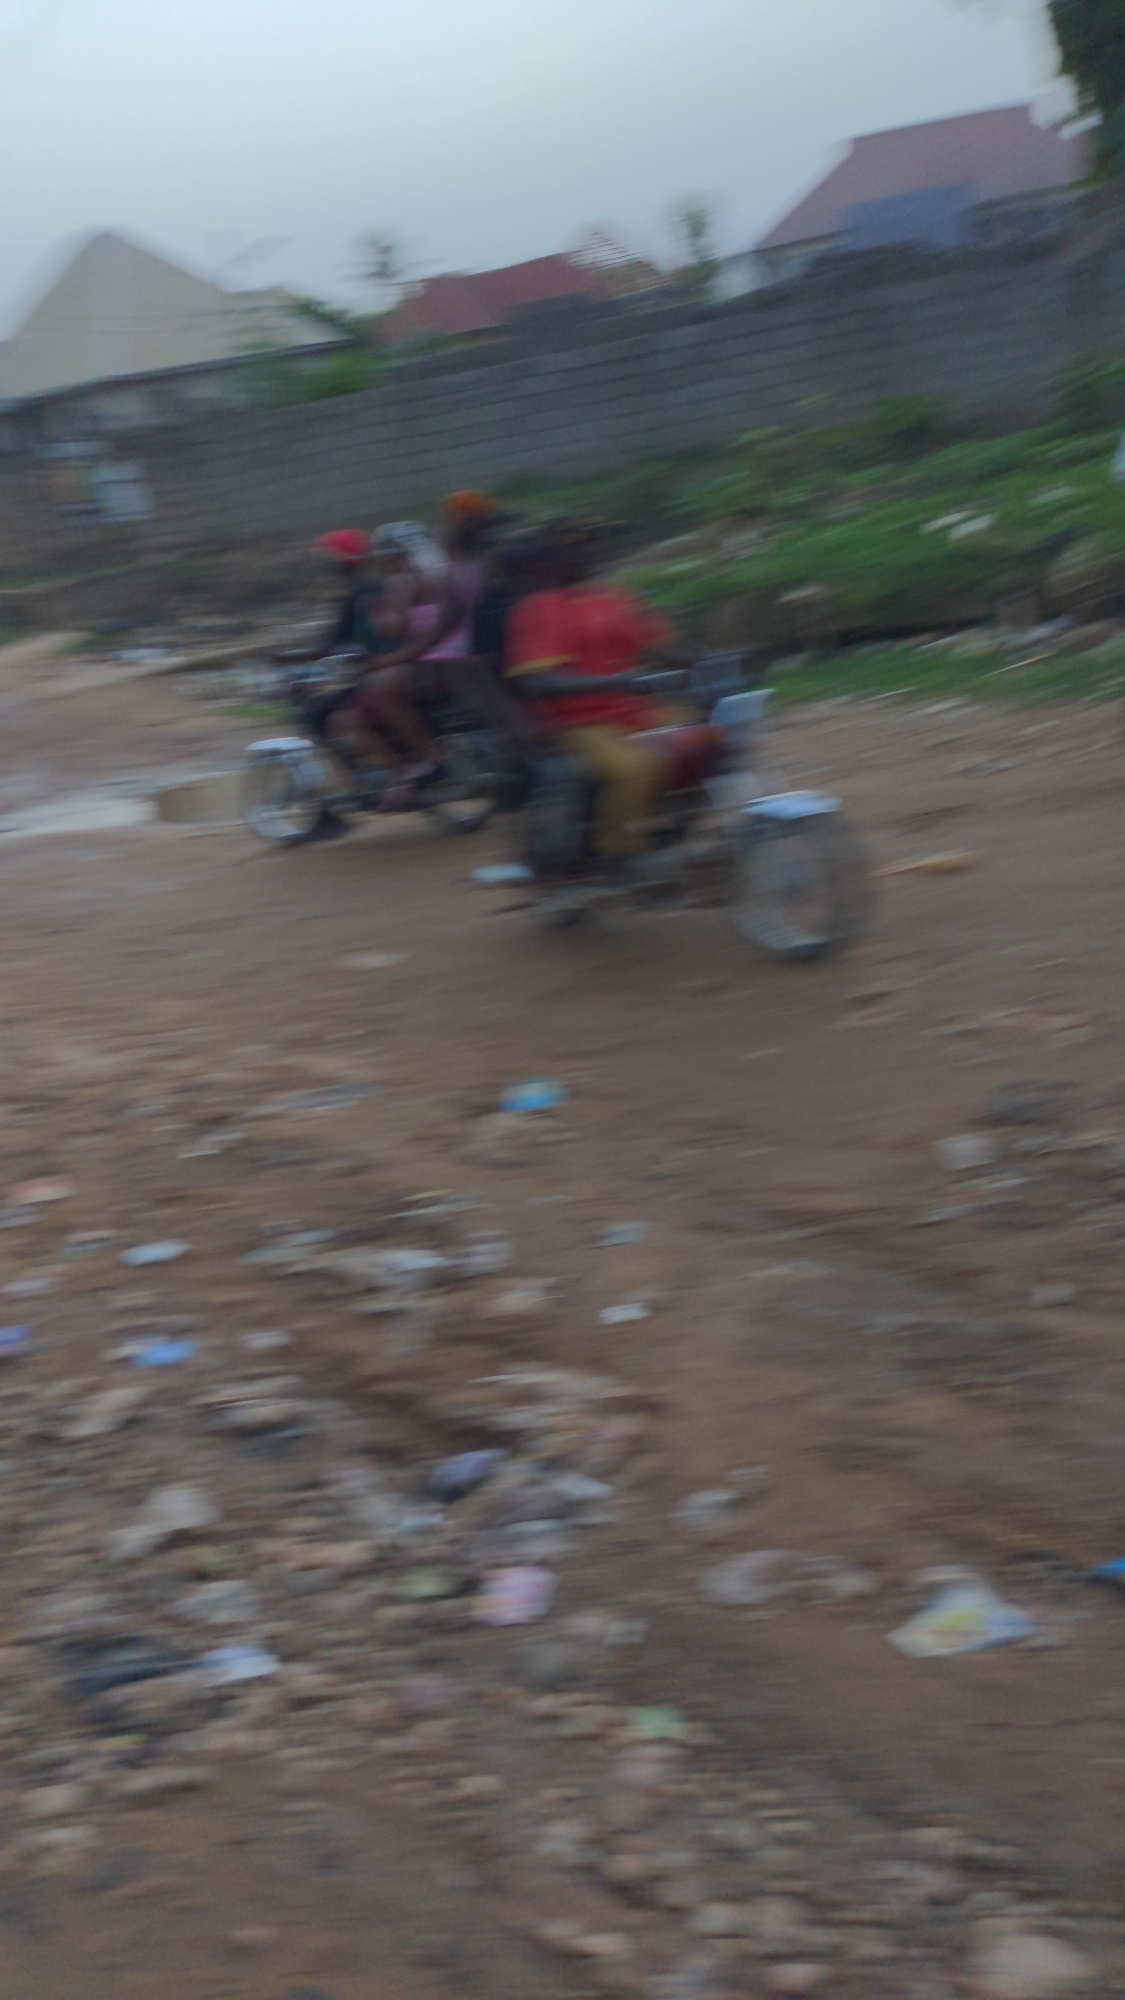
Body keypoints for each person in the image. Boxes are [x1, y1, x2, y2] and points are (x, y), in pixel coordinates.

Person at [501, 521, 680, 870]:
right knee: (634, 768)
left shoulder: (618, 597)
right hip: (576, 721)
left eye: (591, 546)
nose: (589, 554)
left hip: (632, 710)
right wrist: (616, 681)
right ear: (551, 559)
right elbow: (537, 681)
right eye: (576, 548)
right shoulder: (538, 608)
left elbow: (664, 646)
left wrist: (718, 656)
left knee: (701, 741)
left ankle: (669, 823)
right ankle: (617, 850)